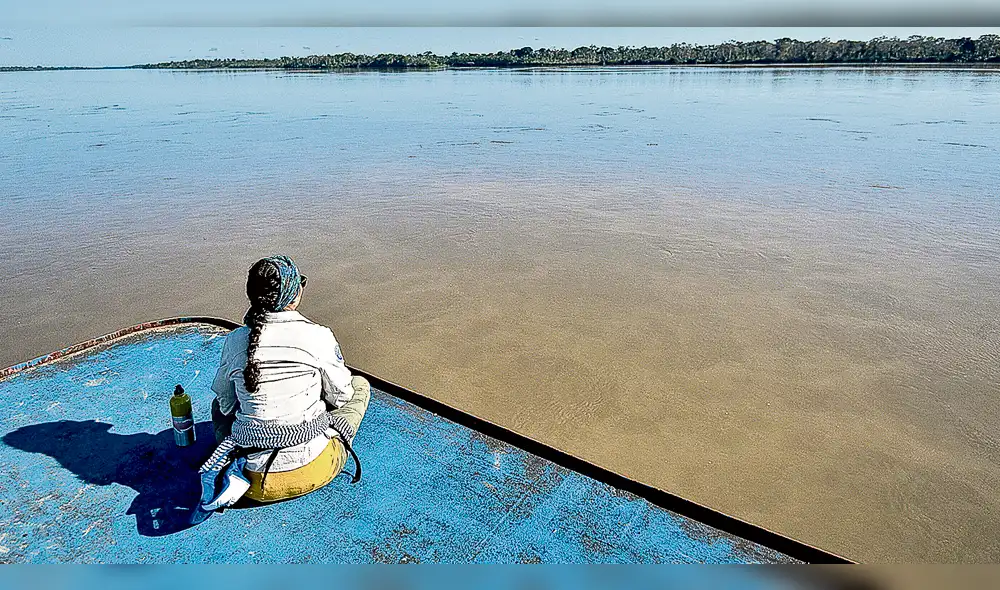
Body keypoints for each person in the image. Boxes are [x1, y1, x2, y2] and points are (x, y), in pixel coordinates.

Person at [206, 255, 370, 505]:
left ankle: (231, 456)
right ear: (294, 295)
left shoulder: (235, 340)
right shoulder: (318, 335)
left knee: (219, 405)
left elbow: (226, 405)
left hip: (251, 482)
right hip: (314, 469)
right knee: (359, 386)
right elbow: (342, 396)